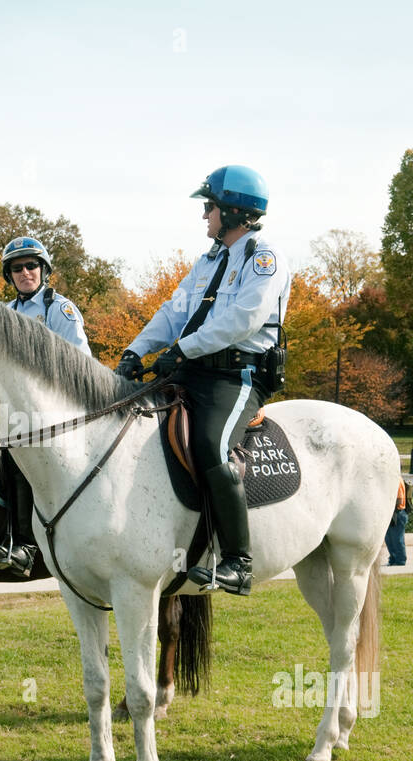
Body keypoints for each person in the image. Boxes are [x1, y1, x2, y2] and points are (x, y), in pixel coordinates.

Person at [117, 165, 289, 595]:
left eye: (209, 207)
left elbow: (243, 319)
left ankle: (238, 561)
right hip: (192, 368)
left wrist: (183, 349)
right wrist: (136, 350)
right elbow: (173, 311)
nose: (204, 215)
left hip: (237, 375)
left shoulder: (263, 258)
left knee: (212, 445)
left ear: (234, 211)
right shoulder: (208, 261)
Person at [0, 236, 92, 576]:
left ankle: (27, 545)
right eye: (17, 268)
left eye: (31, 266)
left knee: (19, 458)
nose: (25, 272)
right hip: (14, 413)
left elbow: (81, 363)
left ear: (43, 270)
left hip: (58, 412)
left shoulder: (59, 309)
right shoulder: (4, 314)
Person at [386, 479, 408, 566]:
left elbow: (399, 499)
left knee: (397, 538)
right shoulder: (394, 478)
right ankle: (393, 558)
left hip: (398, 512)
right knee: (389, 538)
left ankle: (400, 560)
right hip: (393, 512)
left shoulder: (397, 480)